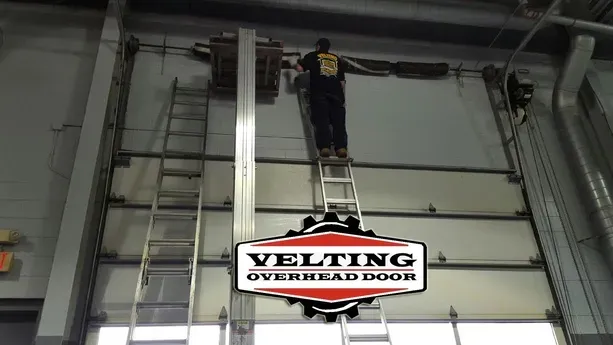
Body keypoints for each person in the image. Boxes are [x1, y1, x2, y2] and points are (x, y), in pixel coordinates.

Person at [293, 38, 348, 158]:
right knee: (338, 122)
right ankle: (341, 148)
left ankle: (325, 147)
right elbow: (342, 83)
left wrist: (293, 63)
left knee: (322, 120)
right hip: (336, 95)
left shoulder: (313, 56)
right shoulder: (337, 59)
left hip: (319, 94)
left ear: (318, 46)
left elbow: (300, 69)